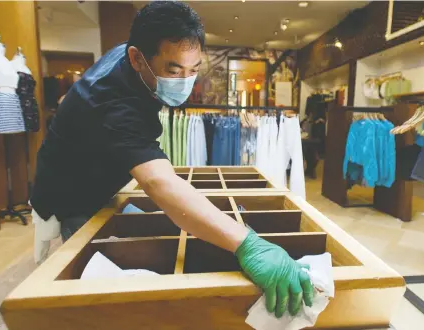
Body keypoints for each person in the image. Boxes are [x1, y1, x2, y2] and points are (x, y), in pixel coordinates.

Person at [29, 1, 313, 318]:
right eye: (173, 70)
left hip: (103, 180)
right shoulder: (113, 102)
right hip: (69, 196)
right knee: (85, 288)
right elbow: (157, 180)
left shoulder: (129, 58)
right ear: (137, 58)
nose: (185, 82)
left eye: (193, 70)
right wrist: (247, 243)